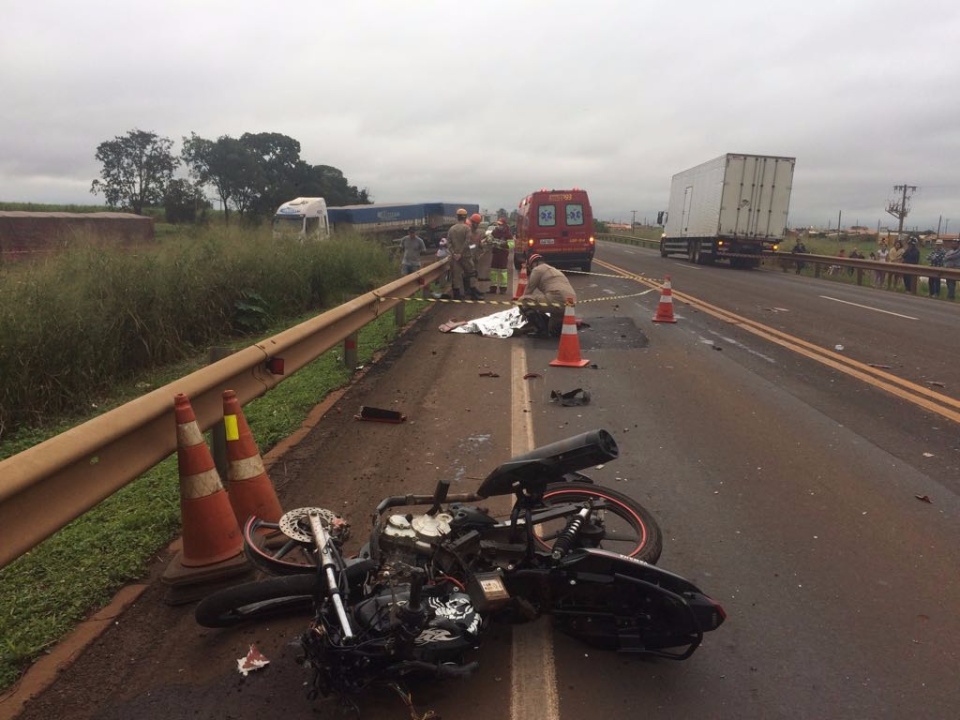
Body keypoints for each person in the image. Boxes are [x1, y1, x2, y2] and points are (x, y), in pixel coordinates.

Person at [517, 253, 576, 337]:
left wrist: (522, 312)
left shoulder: (537, 270)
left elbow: (528, 292)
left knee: (522, 300)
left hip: (557, 299)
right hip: (571, 302)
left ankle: (541, 331)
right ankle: (555, 328)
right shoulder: (554, 270)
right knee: (553, 330)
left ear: (534, 263)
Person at [446, 209, 483, 300]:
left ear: (457, 217)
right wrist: (461, 253)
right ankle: (473, 294)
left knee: (456, 275)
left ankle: (457, 295)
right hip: (465, 256)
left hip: (454, 257)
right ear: (466, 217)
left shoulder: (452, 229)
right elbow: (468, 242)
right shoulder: (467, 229)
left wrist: (454, 253)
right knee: (471, 273)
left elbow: (448, 243)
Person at [487, 218, 514, 293]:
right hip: (495, 254)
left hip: (503, 254)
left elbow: (512, 244)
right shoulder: (495, 232)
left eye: (501, 224)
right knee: (493, 271)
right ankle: (493, 288)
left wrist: (503, 244)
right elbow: (490, 238)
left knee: (503, 272)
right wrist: (489, 239)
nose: (499, 226)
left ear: (504, 225)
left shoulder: (508, 234)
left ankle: (503, 288)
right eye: (498, 224)